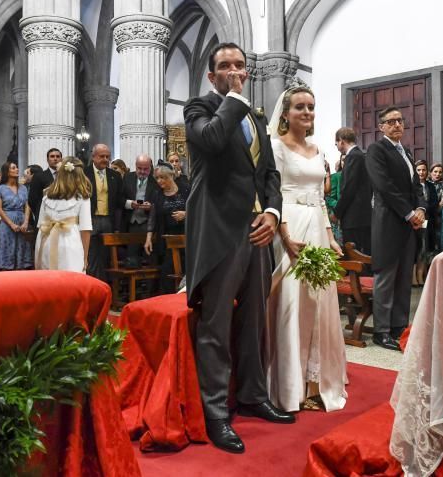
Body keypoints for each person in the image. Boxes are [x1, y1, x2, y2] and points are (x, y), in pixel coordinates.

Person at [185, 42, 294, 454]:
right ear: (212, 75)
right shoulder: (199, 109)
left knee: (254, 318)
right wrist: (231, 99)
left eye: (240, 65)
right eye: (224, 66)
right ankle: (215, 412)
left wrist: (271, 213)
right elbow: (212, 142)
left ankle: (253, 394)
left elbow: (268, 173)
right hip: (218, 231)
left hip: (256, 231)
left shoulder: (256, 117)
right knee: (214, 323)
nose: (234, 70)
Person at [265, 86, 347, 413]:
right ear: (285, 114)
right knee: (289, 301)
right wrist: (284, 235)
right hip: (289, 227)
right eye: (300, 107)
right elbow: (275, 193)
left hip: (315, 226)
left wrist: (330, 237)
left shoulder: (318, 151)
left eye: (311, 107)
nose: (307, 112)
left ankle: (315, 381)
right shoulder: (276, 147)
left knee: (318, 301)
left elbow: (320, 199)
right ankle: (287, 384)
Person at [365, 106, 426, 351]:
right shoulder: (376, 150)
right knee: (386, 277)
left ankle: (399, 325)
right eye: (391, 122)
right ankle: (381, 331)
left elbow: (417, 186)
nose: (397, 125)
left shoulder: (406, 152)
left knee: (403, 278)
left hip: (409, 224)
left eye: (400, 120)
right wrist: (409, 212)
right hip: (389, 222)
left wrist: (421, 208)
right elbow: (384, 186)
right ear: (382, 127)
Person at [34, 157, 93, 272]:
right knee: (71, 280)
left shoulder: (46, 197)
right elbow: (85, 229)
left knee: (46, 280)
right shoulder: (82, 198)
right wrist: (85, 257)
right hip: (69, 244)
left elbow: (40, 224)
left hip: (45, 241)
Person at [144, 162, 189, 292]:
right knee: (167, 272)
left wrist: (185, 214)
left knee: (186, 270)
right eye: (157, 178)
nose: (159, 181)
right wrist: (148, 239)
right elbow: (152, 217)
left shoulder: (186, 189)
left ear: (171, 176)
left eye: (163, 177)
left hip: (186, 237)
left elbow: (199, 208)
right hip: (166, 239)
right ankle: (168, 299)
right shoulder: (157, 194)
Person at [85, 144, 124, 281]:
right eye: (102, 156)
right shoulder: (84, 173)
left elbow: (119, 199)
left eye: (107, 157)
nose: (105, 159)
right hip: (90, 219)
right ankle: (91, 283)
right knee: (90, 255)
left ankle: (103, 285)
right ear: (94, 157)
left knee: (105, 256)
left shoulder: (115, 175)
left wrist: (131, 203)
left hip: (108, 219)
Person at [334, 127, 372, 255]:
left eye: (336, 144)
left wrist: (337, 212)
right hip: (362, 216)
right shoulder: (361, 155)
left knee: (355, 256)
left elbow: (348, 189)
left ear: (341, 141)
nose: (337, 147)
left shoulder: (353, 157)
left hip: (354, 218)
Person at [0, 161, 33, 270]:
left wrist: (26, 222)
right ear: (7, 171)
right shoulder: (0, 188)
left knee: (22, 249)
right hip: (7, 223)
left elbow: (27, 206)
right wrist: (11, 224)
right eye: (13, 168)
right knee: (7, 250)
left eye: (16, 168)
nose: (17, 169)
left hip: (22, 221)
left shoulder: (23, 188)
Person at [413, 160, 438, 286]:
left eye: (423, 170)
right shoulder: (411, 185)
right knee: (415, 248)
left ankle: (421, 276)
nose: (421, 172)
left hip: (428, 220)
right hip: (415, 221)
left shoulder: (430, 185)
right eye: (419, 170)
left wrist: (425, 210)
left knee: (424, 248)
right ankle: (413, 278)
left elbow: (434, 202)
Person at [27, 147, 62, 227]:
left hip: (62, 218)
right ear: (47, 159)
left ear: (61, 159)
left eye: (58, 156)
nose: (55, 159)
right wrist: (40, 211)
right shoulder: (39, 176)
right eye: (52, 156)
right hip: (44, 217)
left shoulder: (66, 176)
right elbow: (32, 200)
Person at [324, 153, 345, 245]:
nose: (345, 162)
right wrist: (340, 206)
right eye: (343, 160)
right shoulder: (336, 176)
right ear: (340, 162)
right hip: (339, 214)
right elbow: (329, 197)